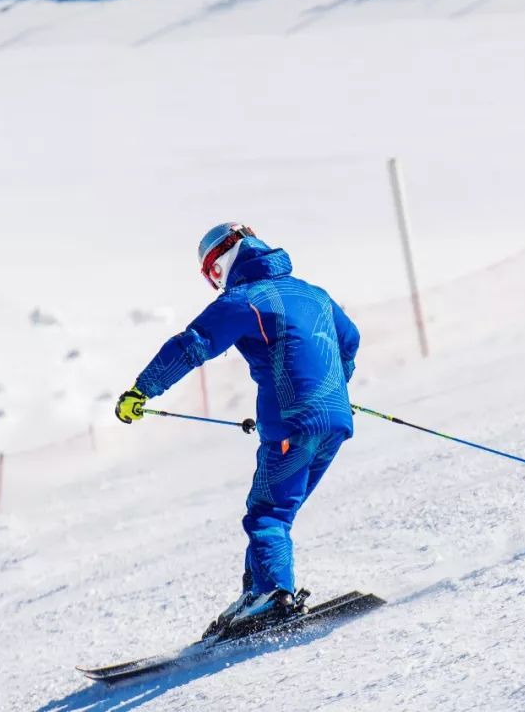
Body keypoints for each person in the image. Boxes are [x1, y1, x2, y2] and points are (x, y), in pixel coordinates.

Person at [115, 223, 360, 638]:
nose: (215, 283)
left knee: (269, 514)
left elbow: (193, 343)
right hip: (335, 422)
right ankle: (257, 593)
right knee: (277, 510)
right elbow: (348, 342)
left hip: (291, 423)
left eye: (212, 272)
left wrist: (142, 389)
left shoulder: (244, 298)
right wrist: (333, 391)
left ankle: (272, 595)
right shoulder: (314, 293)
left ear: (226, 259)